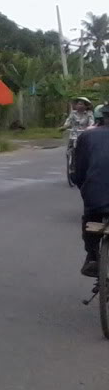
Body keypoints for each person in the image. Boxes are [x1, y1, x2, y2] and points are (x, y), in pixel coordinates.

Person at [74, 113, 109, 276]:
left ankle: (93, 256)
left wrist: (85, 188)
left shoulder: (87, 135)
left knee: (91, 217)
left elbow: (78, 172)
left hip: (95, 195)